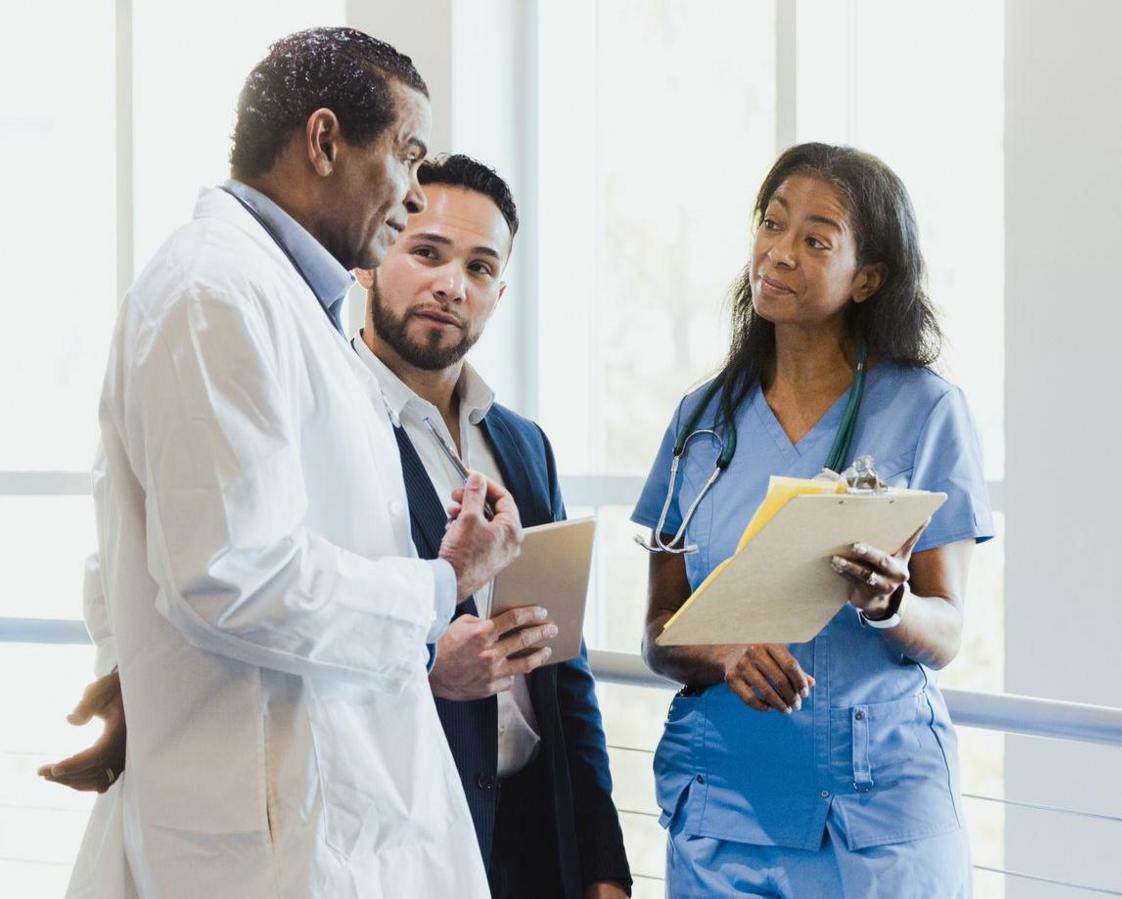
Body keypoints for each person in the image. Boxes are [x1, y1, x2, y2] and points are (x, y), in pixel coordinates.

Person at [56, 28, 521, 898]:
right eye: (407, 157)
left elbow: (135, 538)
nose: (415, 196)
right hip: (275, 840)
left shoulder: (302, 303)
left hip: (335, 807)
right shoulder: (213, 292)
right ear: (323, 141)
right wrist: (441, 580)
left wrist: (132, 669)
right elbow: (230, 572)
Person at [634, 142, 993, 898]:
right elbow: (660, 629)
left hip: (879, 817)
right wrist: (727, 651)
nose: (779, 252)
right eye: (772, 224)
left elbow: (948, 630)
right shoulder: (701, 422)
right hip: (725, 815)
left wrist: (890, 603)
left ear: (868, 276)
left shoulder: (927, 412)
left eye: (815, 239)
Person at [355, 153, 631, 898]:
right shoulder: (328, 427)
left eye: (480, 268)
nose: (452, 284)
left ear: (498, 292)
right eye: (427, 252)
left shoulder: (523, 443)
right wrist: (424, 665)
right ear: (370, 260)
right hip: (405, 837)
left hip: (537, 840)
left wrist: (602, 862)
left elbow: (562, 666)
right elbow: (289, 628)